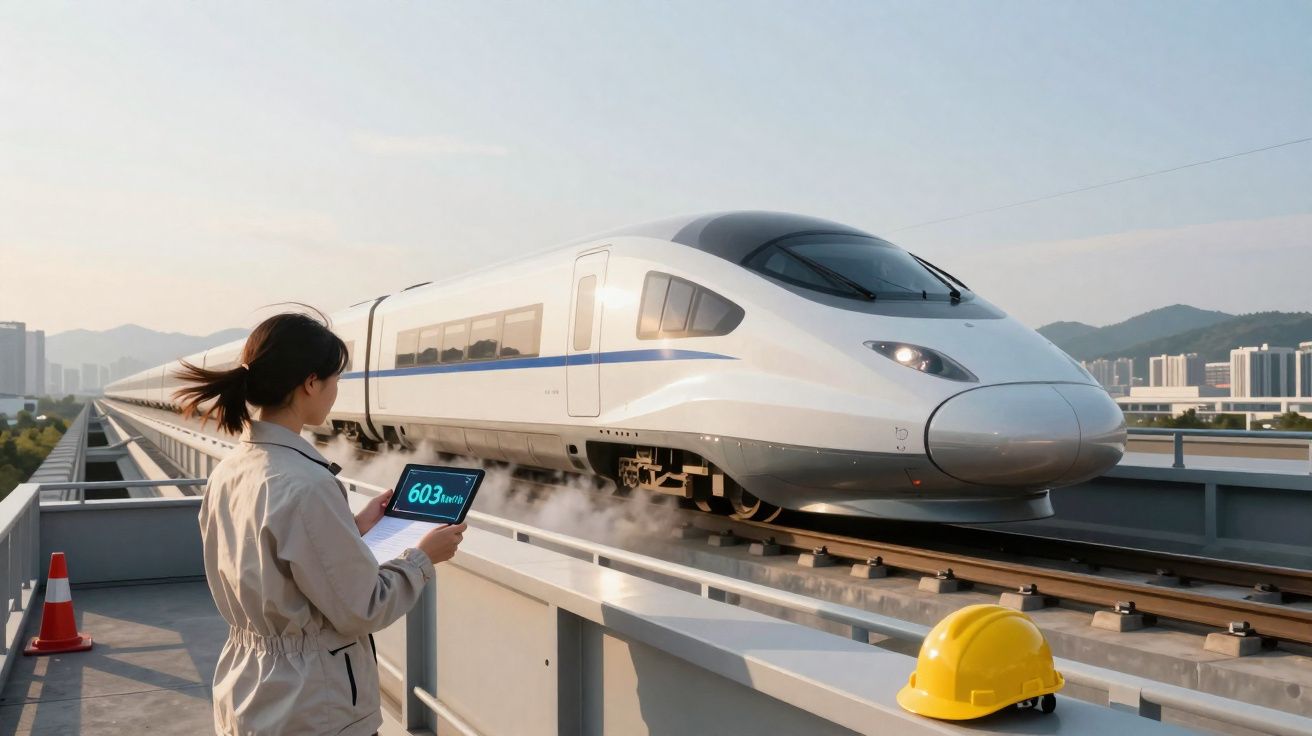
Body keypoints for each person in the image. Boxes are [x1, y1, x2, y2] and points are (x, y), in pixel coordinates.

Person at [174, 309, 466, 735]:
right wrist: (422, 559)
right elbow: (364, 606)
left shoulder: (232, 468)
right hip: (314, 707)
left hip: (249, 692)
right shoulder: (307, 485)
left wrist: (352, 528)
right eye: (334, 379)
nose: (335, 391)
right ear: (311, 383)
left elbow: (276, 556)